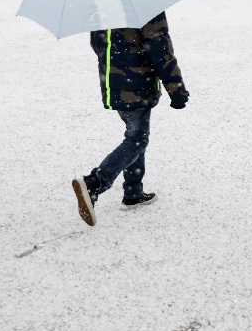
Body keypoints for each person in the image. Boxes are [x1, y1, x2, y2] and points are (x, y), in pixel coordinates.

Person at [72, 12, 188, 227]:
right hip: (138, 84)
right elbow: (160, 51)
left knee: (135, 135)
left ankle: (134, 191)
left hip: (113, 83)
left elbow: (97, 44)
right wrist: (176, 88)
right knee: (137, 140)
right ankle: (95, 182)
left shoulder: (103, 7)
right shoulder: (146, 6)